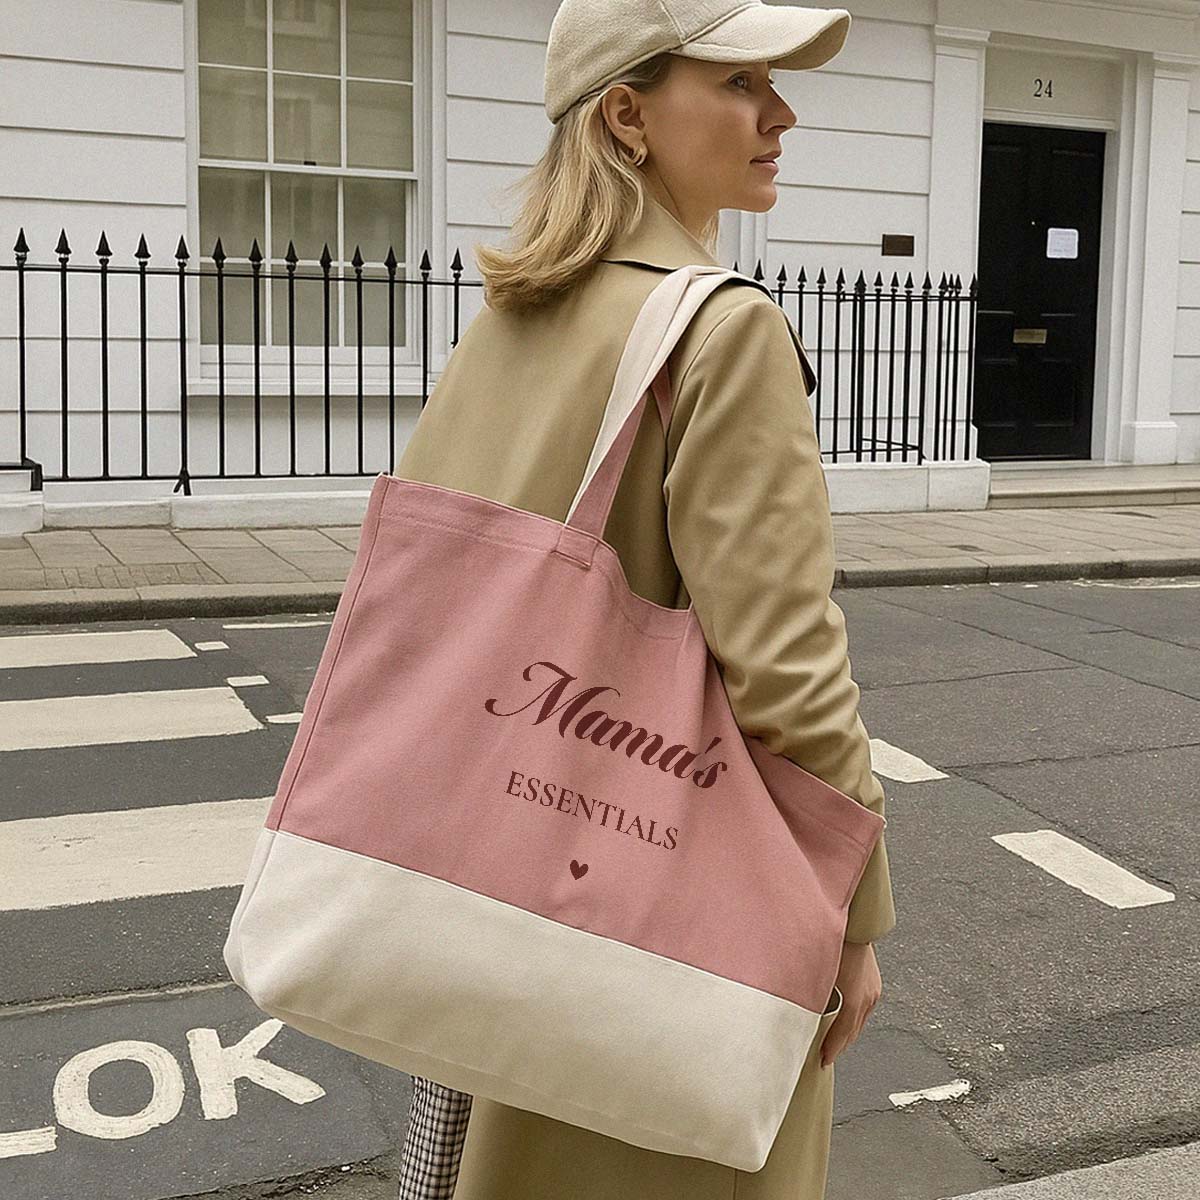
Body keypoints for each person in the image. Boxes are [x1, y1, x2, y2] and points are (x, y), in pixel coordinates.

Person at [392, 2, 897, 1197]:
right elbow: (787, 670)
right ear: (628, 115)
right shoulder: (722, 330)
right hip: (659, 915)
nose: (781, 114)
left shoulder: (508, 320)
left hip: (506, 881)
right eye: (740, 83)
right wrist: (853, 913)